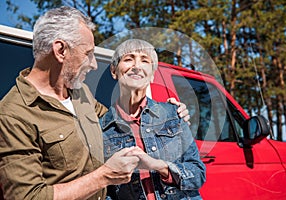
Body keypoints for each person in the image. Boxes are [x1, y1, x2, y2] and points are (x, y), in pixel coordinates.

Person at [0, 7, 189, 200]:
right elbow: (26, 197)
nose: (94, 64)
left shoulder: (81, 93)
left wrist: (168, 113)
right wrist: (104, 176)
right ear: (60, 50)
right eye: (88, 53)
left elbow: (118, 120)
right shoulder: (13, 114)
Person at [100, 39, 206, 200]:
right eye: (128, 59)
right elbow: (104, 192)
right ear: (114, 71)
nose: (136, 66)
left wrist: (157, 165)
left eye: (144, 60)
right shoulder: (101, 128)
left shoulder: (173, 114)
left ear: (151, 75)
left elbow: (198, 174)